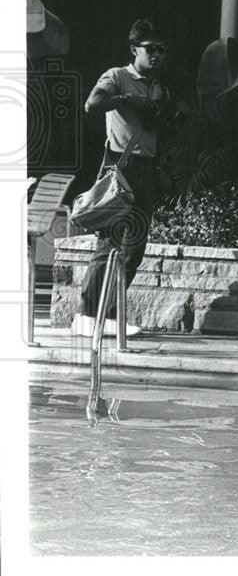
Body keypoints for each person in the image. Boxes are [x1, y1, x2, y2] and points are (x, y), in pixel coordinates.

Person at [72, 19, 174, 337]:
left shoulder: (159, 87)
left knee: (135, 248)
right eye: (150, 49)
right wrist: (129, 100)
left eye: (161, 50)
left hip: (148, 170)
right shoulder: (117, 76)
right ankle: (87, 316)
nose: (156, 55)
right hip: (121, 167)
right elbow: (93, 103)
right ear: (134, 50)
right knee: (110, 241)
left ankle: (111, 316)